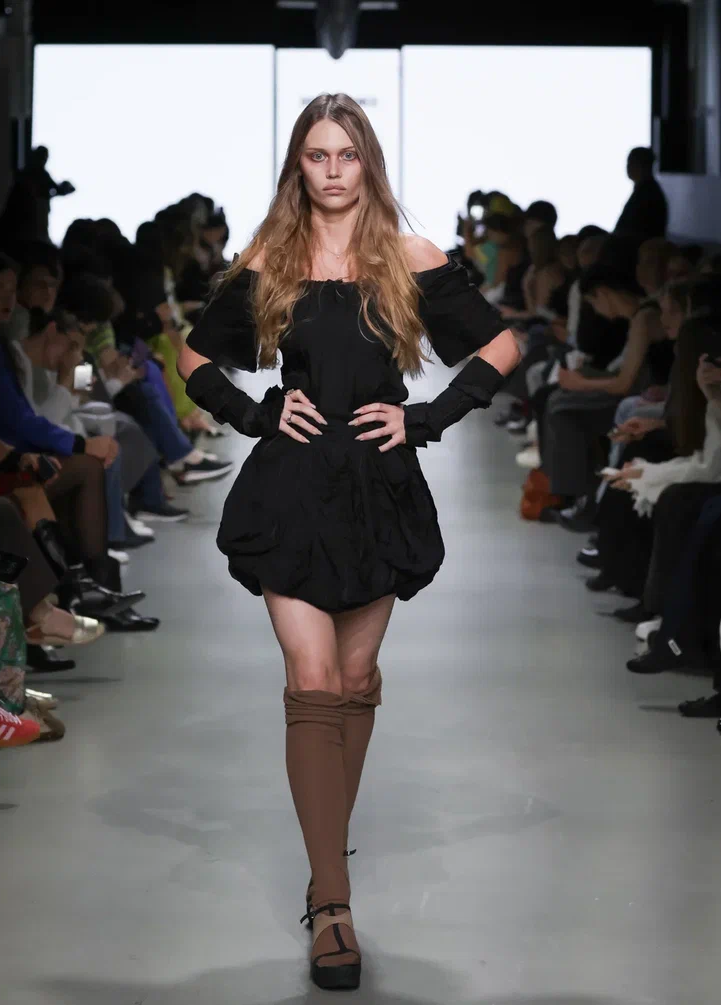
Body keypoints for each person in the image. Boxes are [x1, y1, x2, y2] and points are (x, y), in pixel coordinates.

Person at [177, 93, 519, 992]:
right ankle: (332, 900)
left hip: (375, 485)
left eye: (346, 154)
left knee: (356, 680)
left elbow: (499, 348)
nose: (331, 170)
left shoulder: (408, 257)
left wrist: (426, 418)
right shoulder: (271, 257)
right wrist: (256, 413)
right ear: (298, 164)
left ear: (367, 161)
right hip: (292, 485)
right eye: (316, 154)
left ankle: (324, 857)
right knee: (313, 680)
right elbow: (192, 356)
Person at [614, 147, 668, 241]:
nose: (628, 167)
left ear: (642, 165)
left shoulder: (647, 194)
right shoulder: (646, 190)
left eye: (631, 163)